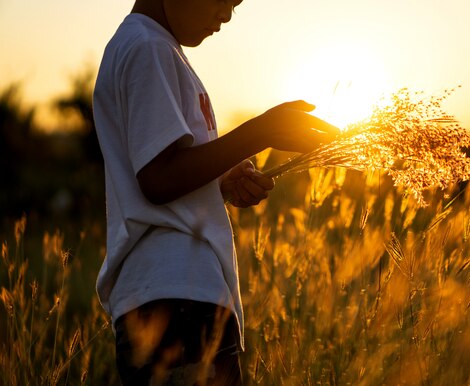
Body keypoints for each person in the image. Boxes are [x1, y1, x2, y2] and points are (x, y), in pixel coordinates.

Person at [92, 0, 340, 384]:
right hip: (176, 300)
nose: (225, 15)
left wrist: (219, 184)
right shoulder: (148, 47)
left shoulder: (155, 47)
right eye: (223, 0)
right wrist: (260, 131)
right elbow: (157, 180)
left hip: (173, 296)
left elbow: (163, 170)